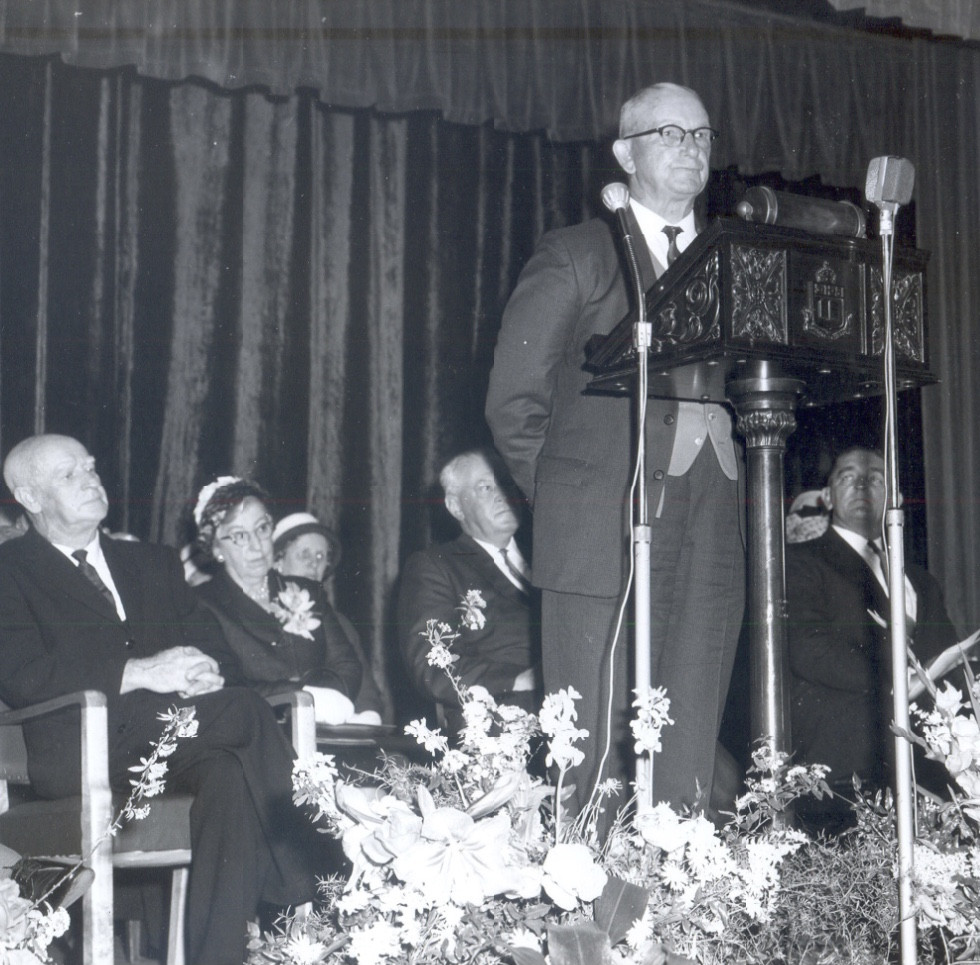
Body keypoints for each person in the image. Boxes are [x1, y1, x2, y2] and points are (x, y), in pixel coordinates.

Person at [485, 83, 744, 812]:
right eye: (670, 133)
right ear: (625, 153)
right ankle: (589, 922)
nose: (691, 148)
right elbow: (514, 401)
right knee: (592, 752)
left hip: (712, 515)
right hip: (600, 527)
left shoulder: (735, 265)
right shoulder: (578, 254)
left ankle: (682, 915)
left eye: (701, 135)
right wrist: (570, 500)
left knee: (689, 743)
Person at [0, 435, 318, 965]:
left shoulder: (151, 561)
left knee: (227, 775)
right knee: (243, 712)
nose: (91, 479)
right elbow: (21, 673)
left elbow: (212, 645)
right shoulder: (8, 571)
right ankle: (312, 883)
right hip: (84, 742)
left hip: (178, 735)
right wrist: (142, 671)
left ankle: (216, 959)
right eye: (68, 474)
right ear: (30, 498)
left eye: (91, 466)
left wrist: (203, 671)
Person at [786, 446, 968, 827]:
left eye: (877, 478)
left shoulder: (920, 579)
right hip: (845, 767)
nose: (863, 485)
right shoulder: (801, 562)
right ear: (827, 497)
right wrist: (897, 682)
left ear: (896, 499)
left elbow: (949, 659)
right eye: (847, 476)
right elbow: (807, 648)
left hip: (928, 769)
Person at [191, 478, 363, 727]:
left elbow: (347, 665)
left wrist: (327, 702)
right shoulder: (202, 603)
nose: (257, 546)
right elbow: (228, 686)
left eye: (261, 528)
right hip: (256, 739)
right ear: (216, 547)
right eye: (240, 535)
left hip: (326, 730)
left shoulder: (309, 591)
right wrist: (304, 696)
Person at [396, 450, 540, 736]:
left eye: (507, 484)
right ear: (456, 507)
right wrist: (516, 680)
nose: (502, 494)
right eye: (486, 487)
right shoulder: (436, 566)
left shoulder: (548, 561)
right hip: (499, 712)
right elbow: (431, 662)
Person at [272, 511, 384, 724]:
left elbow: (366, 694)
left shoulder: (339, 623)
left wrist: (369, 717)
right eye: (304, 554)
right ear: (278, 560)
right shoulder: (258, 612)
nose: (313, 564)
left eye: (320, 557)